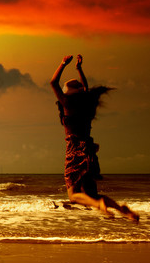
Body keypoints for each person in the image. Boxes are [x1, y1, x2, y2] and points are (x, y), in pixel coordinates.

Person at [51, 54, 138, 222]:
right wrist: (78, 68)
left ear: (67, 94)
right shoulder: (87, 106)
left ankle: (100, 206)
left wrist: (63, 63)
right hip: (89, 152)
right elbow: (85, 87)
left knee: (73, 196)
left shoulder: (67, 104)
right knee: (92, 194)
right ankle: (123, 210)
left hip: (75, 152)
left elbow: (53, 83)